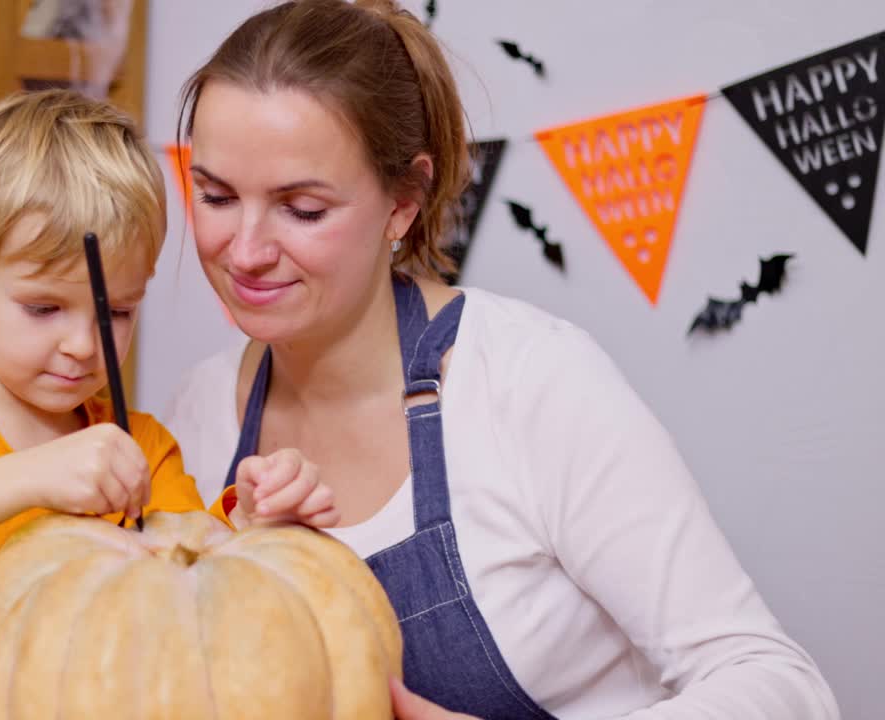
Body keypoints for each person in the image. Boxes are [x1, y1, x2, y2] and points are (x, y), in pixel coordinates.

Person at [163, 1, 841, 718]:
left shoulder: (528, 382)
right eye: (214, 196)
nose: (244, 251)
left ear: (404, 200)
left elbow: (783, 687)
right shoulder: (198, 415)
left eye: (302, 208)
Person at [0, 89, 335, 720]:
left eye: (116, 311)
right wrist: (29, 477)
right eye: (44, 307)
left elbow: (194, 601)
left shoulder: (141, 452)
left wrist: (258, 528)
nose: (83, 345)